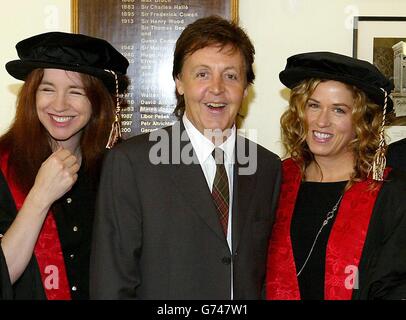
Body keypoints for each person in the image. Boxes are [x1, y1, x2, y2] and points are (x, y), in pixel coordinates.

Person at [90, 15, 281, 299]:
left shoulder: (267, 167)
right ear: (179, 82)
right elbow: (111, 284)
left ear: (245, 88)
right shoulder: (132, 163)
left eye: (231, 76)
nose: (217, 89)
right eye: (202, 74)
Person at [265, 51, 406, 300]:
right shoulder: (275, 180)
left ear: (362, 121)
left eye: (339, 110)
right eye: (313, 105)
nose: (322, 121)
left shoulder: (391, 193)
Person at [0, 31, 129, 299]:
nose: (59, 105)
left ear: (96, 102)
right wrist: (39, 197)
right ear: (31, 96)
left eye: (76, 91)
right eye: (47, 89)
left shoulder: (117, 170)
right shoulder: (3, 166)